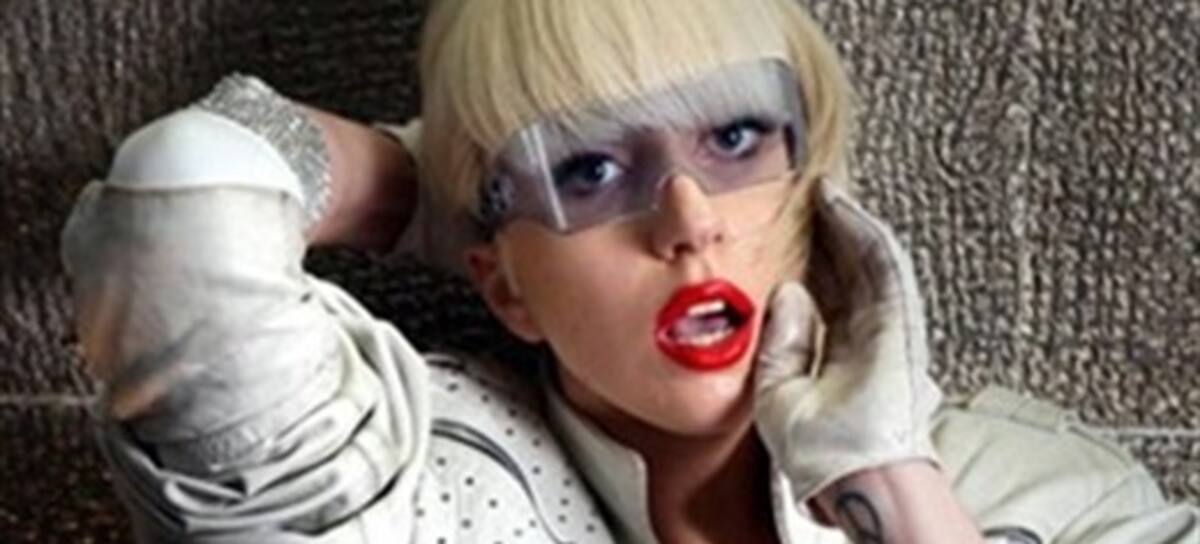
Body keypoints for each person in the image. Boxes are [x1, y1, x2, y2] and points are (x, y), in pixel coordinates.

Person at [60, 0, 1198, 542]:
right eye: (591, 169)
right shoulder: (423, 483)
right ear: (501, 283)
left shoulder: (1044, 492)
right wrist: (441, 193)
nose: (689, 222)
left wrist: (895, 487)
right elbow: (183, 204)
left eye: (736, 136)